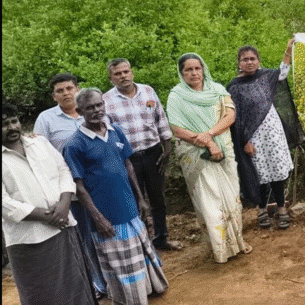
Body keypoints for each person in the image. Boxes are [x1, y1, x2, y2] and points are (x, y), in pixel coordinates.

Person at [63, 89, 168, 305]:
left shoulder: (116, 130)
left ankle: (150, 289)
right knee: (120, 262)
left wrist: (140, 198)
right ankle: (131, 299)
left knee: (141, 250)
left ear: (104, 105)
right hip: (106, 214)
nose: (96, 110)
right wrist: (98, 218)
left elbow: (128, 164)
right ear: (79, 111)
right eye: (90, 107)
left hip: (128, 206)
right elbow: (79, 187)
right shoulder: (74, 144)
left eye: (99, 105)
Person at [3, 102, 98, 305]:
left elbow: (64, 171)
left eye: (14, 121)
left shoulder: (40, 143)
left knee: (76, 285)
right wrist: (49, 217)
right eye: (4, 124)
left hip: (64, 226)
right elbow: (4, 203)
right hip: (28, 239)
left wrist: (64, 205)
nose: (11, 127)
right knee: (40, 292)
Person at [166, 53, 252, 263]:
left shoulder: (218, 90)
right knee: (209, 203)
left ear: (203, 69)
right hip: (196, 156)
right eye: (188, 69)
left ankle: (237, 242)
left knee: (231, 197)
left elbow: (230, 116)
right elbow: (178, 130)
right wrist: (208, 143)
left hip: (224, 151)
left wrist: (210, 134)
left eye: (197, 68)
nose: (194, 73)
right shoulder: (176, 96)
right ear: (181, 72)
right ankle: (220, 250)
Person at [33, 73, 109, 298]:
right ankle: (97, 284)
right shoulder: (46, 120)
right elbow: (39, 155)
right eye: (60, 90)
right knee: (85, 240)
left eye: (69, 88)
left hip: (101, 187)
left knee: (106, 233)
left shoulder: (95, 112)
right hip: (73, 193)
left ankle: (113, 278)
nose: (66, 93)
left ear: (77, 89)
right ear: (53, 96)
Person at [103, 58, 183, 251]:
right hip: (127, 159)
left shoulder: (148, 91)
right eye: (118, 74)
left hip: (153, 153)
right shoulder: (106, 101)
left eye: (126, 71)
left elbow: (161, 119)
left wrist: (167, 149)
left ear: (131, 72)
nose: (123, 76)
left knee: (158, 199)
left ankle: (161, 238)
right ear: (111, 78)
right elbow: (107, 133)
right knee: (135, 200)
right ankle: (143, 242)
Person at [227, 40, 295, 230]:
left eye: (252, 58)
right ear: (239, 63)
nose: (249, 62)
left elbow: (283, 72)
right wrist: (244, 141)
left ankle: (282, 209)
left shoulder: (266, 76)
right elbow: (235, 117)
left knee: (277, 172)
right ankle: (261, 210)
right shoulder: (234, 86)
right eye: (245, 59)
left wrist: (288, 50)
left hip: (273, 132)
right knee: (260, 174)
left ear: (258, 60)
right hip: (253, 136)